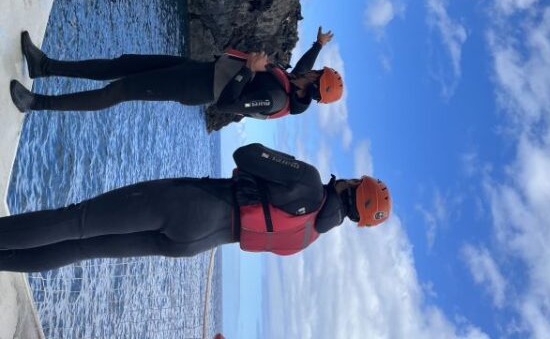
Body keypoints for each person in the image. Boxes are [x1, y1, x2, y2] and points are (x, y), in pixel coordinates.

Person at [0, 143, 391, 272]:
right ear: (354, 219)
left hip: (192, 205)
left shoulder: (309, 180)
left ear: (355, 184)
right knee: (83, 248)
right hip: (194, 243)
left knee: (78, 220)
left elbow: (246, 153)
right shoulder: (308, 238)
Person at [9, 27, 343, 118]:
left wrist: (247, 70)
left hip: (194, 87)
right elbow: (299, 69)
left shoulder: (274, 99)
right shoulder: (293, 82)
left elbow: (226, 106)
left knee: (118, 90)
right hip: (196, 69)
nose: (311, 73)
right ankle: (45, 66)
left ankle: (36, 104)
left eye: (316, 76)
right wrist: (317, 45)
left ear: (308, 90)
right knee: (121, 64)